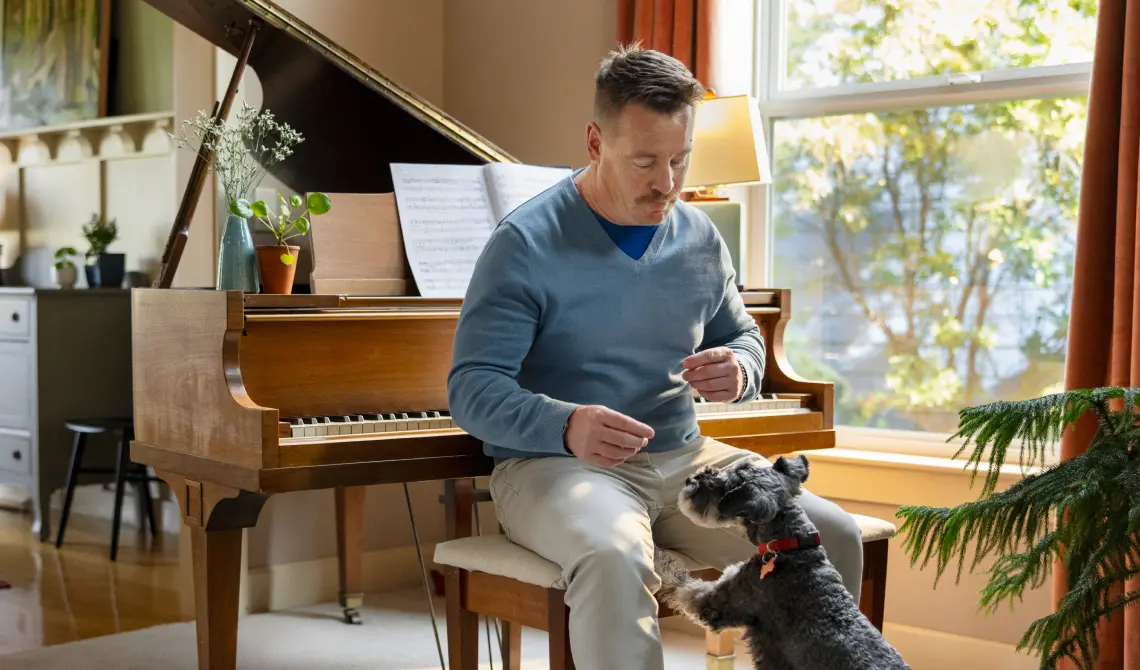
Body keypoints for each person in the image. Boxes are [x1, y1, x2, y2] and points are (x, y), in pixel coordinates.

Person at [447, 43, 863, 669]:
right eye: (644, 161)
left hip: (687, 461)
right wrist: (565, 423)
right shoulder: (524, 244)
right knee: (615, 556)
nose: (666, 183)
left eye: (679, 159)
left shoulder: (699, 236)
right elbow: (472, 387)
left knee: (831, 533)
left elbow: (745, 337)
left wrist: (743, 368)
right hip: (554, 468)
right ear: (594, 142)